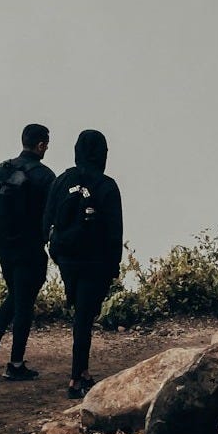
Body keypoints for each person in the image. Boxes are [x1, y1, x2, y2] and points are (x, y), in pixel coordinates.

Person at [44, 129, 123, 399]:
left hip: (67, 259)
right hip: (95, 261)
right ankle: (77, 378)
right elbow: (115, 232)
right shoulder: (107, 185)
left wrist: (56, 252)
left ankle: (83, 372)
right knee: (84, 318)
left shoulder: (62, 180)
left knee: (81, 312)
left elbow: (47, 220)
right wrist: (114, 266)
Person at [0, 123, 56, 381]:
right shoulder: (45, 176)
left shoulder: (6, 168)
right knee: (24, 305)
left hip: (4, 245)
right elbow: (54, 212)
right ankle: (15, 364)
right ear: (41, 145)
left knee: (16, 294)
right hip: (29, 246)